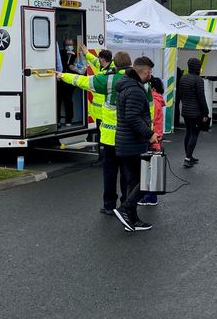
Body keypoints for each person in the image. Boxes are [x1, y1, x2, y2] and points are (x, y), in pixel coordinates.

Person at [57, 50, 131, 215]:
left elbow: (82, 81)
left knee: (110, 173)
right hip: (130, 138)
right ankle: (127, 205)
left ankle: (109, 205)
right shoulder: (140, 79)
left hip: (110, 137)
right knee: (128, 174)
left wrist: (63, 76)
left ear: (115, 63)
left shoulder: (108, 79)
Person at [113, 57, 158, 232]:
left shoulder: (126, 85)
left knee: (133, 182)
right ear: (145, 72)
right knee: (146, 181)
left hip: (125, 143)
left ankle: (131, 220)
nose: (151, 75)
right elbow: (132, 117)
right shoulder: (135, 90)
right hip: (133, 143)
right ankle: (125, 209)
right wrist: (150, 133)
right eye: (150, 72)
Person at [82, 47, 114, 164]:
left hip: (104, 112)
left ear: (103, 59)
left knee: (103, 137)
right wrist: (86, 53)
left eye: (100, 59)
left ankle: (103, 159)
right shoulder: (105, 65)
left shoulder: (107, 72)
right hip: (100, 112)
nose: (98, 61)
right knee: (103, 136)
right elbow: (94, 60)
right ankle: (104, 158)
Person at [139, 76, 166, 207]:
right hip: (156, 138)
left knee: (149, 168)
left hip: (152, 138)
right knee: (151, 167)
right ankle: (149, 196)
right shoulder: (157, 99)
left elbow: (151, 121)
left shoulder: (153, 100)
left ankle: (150, 197)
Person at [177, 57, 209, 167]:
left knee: (188, 133)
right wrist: (206, 112)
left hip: (185, 110)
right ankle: (187, 158)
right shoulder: (198, 80)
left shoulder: (183, 78)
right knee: (194, 134)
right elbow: (201, 98)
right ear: (198, 67)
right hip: (196, 112)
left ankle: (189, 155)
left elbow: (180, 94)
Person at [56, 39, 80, 125]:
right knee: (58, 101)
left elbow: (80, 68)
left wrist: (74, 67)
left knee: (68, 100)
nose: (69, 46)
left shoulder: (77, 55)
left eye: (71, 44)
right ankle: (57, 120)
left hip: (70, 81)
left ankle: (69, 120)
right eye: (67, 44)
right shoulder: (60, 53)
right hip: (60, 80)